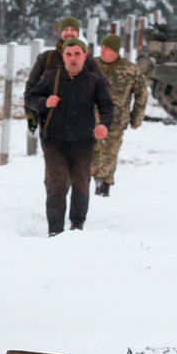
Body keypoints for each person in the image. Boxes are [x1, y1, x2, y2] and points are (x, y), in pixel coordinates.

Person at [24, 38, 115, 236]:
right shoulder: (50, 76)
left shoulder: (94, 80)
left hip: (83, 140)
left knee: (81, 183)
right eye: (68, 54)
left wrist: (103, 125)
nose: (73, 59)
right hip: (54, 140)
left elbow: (107, 106)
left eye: (77, 54)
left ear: (84, 56)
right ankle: (55, 230)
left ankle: (77, 226)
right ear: (63, 56)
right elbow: (30, 98)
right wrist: (45, 102)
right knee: (56, 182)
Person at [91, 34, 148, 197]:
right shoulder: (92, 65)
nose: (102, 51)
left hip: (116, 121)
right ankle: (88, 184)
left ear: (115, 51)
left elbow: (141, 94)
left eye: (106, 49)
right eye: (101, 48)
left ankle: (103, 187)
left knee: (109, 154)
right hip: (91, 119)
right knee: (91, 152)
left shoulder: (130, 70)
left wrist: (136, 118)